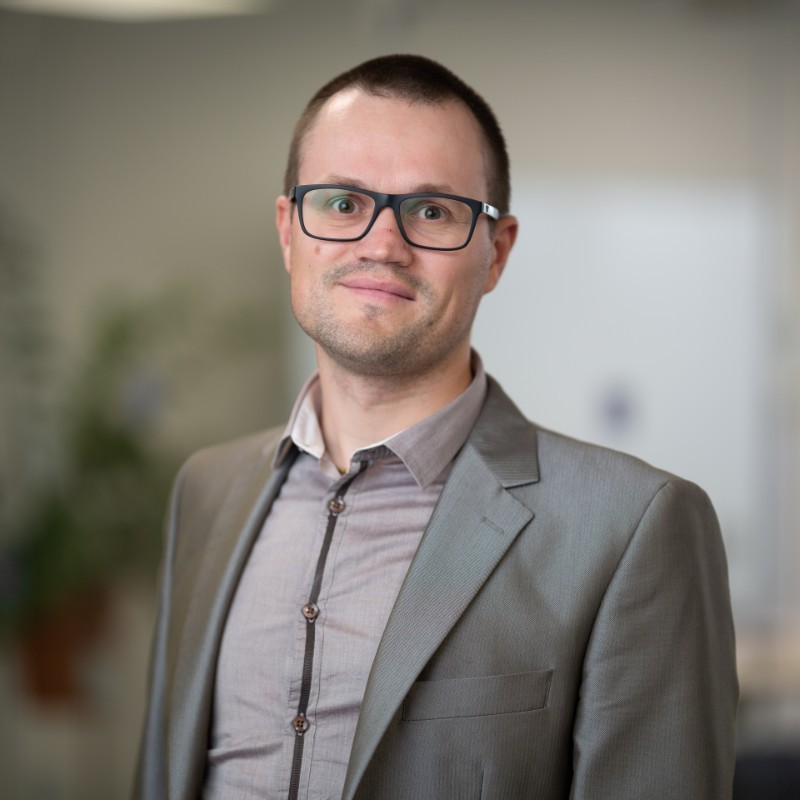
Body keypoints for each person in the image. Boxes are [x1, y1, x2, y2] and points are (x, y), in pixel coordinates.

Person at [134, 54, 738, 800]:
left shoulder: (632, 526)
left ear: (496, 252)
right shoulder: (206, 489)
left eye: (432, 212)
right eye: (342, 202)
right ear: (289, 230)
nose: (381, 244)